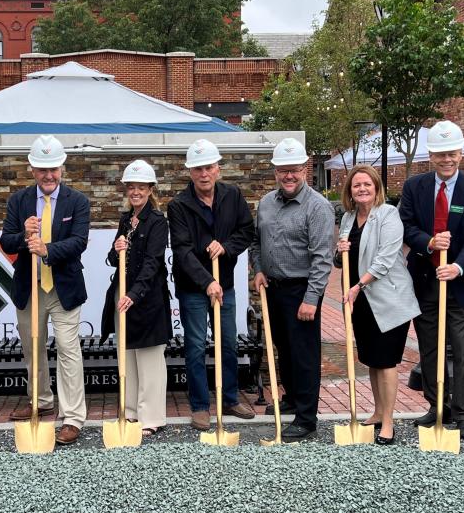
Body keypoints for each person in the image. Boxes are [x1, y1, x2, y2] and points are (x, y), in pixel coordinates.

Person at [399, 120, 464, 440]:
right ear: (430, 155)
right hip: (425, 281)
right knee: (429, 349)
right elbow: (406, 225)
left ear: (460, 152)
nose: (446, 160)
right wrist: (428, 242)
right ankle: (438, 405)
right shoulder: (414, 188)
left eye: (452, 153)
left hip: (461, 286)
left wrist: (459, 267)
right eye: (440, 154)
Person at [0, 135, 90, 446]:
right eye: (42, 169)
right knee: (33, 348)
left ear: (62, 167)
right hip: (30, 287)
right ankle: (40, 400)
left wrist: (47, 249)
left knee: (68, 350)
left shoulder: (77, 201)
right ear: (32, 169)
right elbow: (6, 241)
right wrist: (24, 236)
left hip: (63, 288)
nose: (48, 175)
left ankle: (73, 417)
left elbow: (79, 242)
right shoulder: (19, 201)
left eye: (53, 169)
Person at [168, 138, 256, 431]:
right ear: (190, 172)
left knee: (227, 343)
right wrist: (207, 281)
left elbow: (246, 231)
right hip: (194, 288)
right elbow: (181, 251)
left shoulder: (233, 196)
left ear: (218, 169)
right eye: (197, 169)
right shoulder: (179, 205)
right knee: (194, 347)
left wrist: (227, 248)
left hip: (226, 285)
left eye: (208, 167)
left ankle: (230, 398)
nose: (203, 174)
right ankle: (200, 406)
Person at [250, 139, 334, 442]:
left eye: (294, 170)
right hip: (273, 287)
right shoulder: (267, 203)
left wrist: (311, 299)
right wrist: (258, 269)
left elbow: (323, 259)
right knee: (283, 349)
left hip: (302, 289)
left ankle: (306, 418)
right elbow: (256, 243)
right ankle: (292, 398)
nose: (289, 176)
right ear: (275, 171)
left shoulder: (318, 207)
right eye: (283, 170)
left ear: (305, 169)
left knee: (304, 354)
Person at [335, 165, 420, 445]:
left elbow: (384, 260)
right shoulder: (348, 219)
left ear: (376, 188)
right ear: (350, 190)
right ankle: (378, 411)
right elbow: (344, 259)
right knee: (371, 359)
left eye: (367, 185)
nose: (361, 189)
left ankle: (389, 423)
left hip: (387, 298)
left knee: (386, 361)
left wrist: (358, 286)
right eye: (356, 185)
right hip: (362, 301)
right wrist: (340, 252)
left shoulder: (388, 214)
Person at [100, 160, 173, 437]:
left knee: (150, 357)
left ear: (150, 189)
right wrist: (115, 247)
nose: (135, 192)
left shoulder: (157, 222)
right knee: (127, 355)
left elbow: (153, 262)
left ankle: (151, 417)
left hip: (147, 298)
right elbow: (113, 259)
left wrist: (134, 294)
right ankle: (130, 412)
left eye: (141, 187)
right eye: (131, 187)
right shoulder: (125, 219)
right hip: (123, 294)